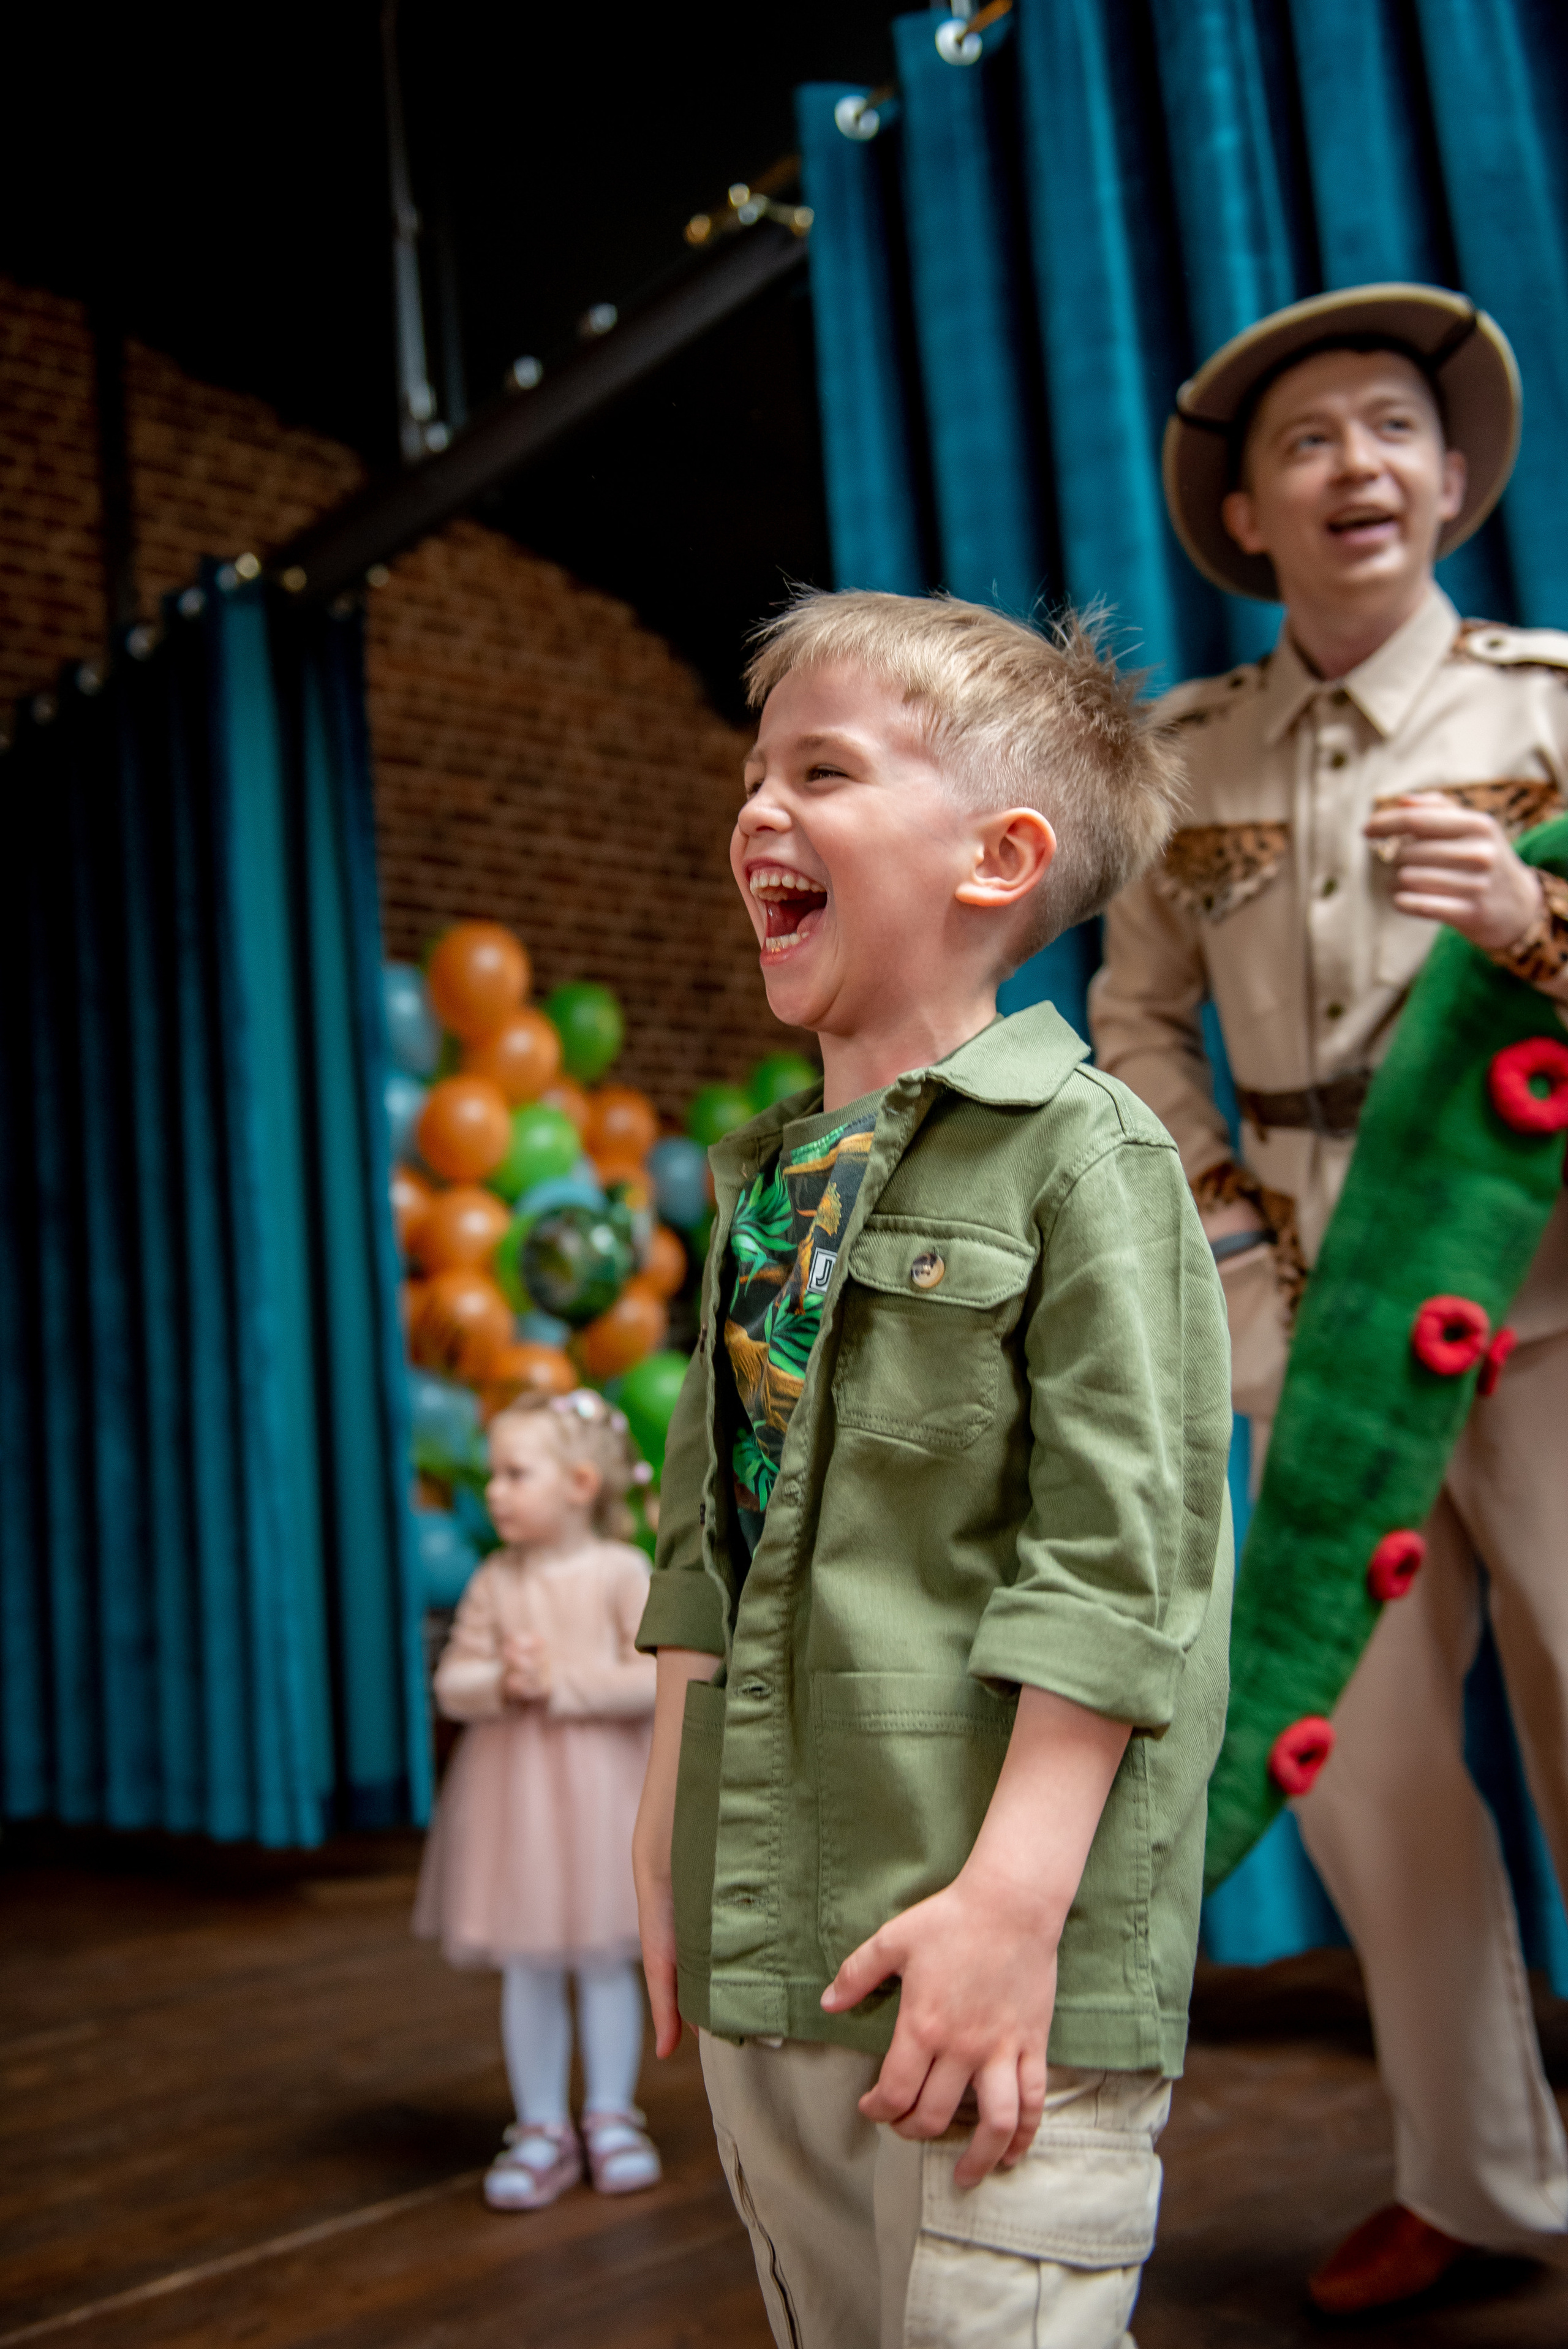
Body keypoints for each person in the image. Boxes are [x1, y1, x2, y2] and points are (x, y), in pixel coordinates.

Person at [632, 589, 1234, 2349]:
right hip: (775, 1933)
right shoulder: (760, 1185)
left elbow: (1119, 1572)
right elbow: (702, 1543)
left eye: (821, 770)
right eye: (753, 773)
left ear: (1000, 859)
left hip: (1001, 1953)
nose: (757, 809)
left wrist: (1008, 1905)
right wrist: (665, 1836)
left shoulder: (1088, 1162)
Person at [1091, 283, 1568, 2317]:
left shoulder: (1556, 712)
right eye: (1307, 443)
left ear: (1454, 481)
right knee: (1365, 1784)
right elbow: (1134, 1021)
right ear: (1250, 520)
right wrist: (1223, 1256)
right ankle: (1478, 2185)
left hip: (1545, 1309)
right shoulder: (1187, 753)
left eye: (1392, 426)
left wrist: (1544, 927)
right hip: (1309, 1329)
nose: (1355, 463)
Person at [413, 1389, 663, 2211]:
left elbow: (658, 1677)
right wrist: (498, 1679)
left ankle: (611, 2115)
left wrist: (561, 1681)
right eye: (494, 1474)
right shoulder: (494, 1577)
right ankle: (540, 2124)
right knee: (527, 1962)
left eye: (516, 1473)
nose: (494, 1490)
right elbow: (452, 1681)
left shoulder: (623, 1573)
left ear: (581, 1482)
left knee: (602, 1958)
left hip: (600, 1799)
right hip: (515, 1803)